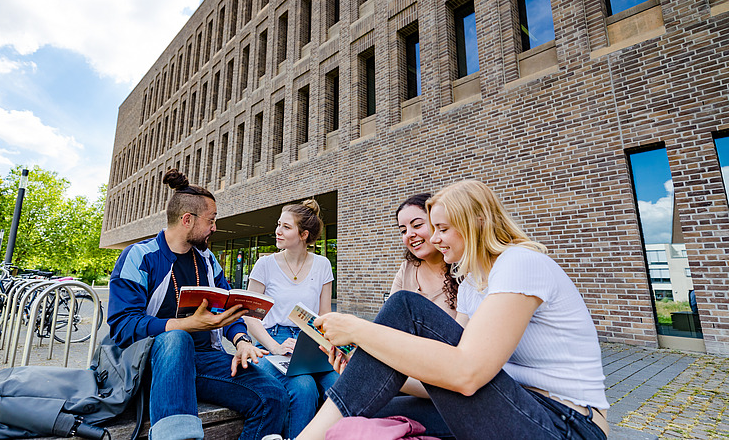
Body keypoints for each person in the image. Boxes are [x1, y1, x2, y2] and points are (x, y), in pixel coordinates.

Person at [297, 180, 610, 440]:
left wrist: (358, 330)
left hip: (567, 424)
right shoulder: (473, 283)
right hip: (513, 404)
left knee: (406, 308)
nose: (434, 238)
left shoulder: (519, 262)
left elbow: (466, 374)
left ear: (477, 221)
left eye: (442, 229)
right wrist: (375, 366)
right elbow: (443, 378)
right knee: (366, 414)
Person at [107, 169, 288, 440]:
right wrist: (186, 325)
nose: (215, 228)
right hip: (148, 363)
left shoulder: (207, 261)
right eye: (211, 220)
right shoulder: (139, 256)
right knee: (177, 338)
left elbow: (227, 306)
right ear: (187, 220)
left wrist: (241, 341)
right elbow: (122, 325)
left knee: (272, 395)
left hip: (203, 360)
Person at [244, 199, 339, 438]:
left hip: (310, 340)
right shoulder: (265, 264)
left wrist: (331, 346)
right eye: (278, 224)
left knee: (339, 383)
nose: (278, 231)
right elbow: (249, 316)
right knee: (303, 387)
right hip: (273, 340)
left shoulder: (322, 265)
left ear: (303, 234)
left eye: (286, 227)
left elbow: (324, 314)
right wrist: (275, 347)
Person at [392, 193, 457, 317]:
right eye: (403, 231)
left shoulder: (466, 270)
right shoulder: (406, 269)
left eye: (417, 225)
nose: (409, 234)